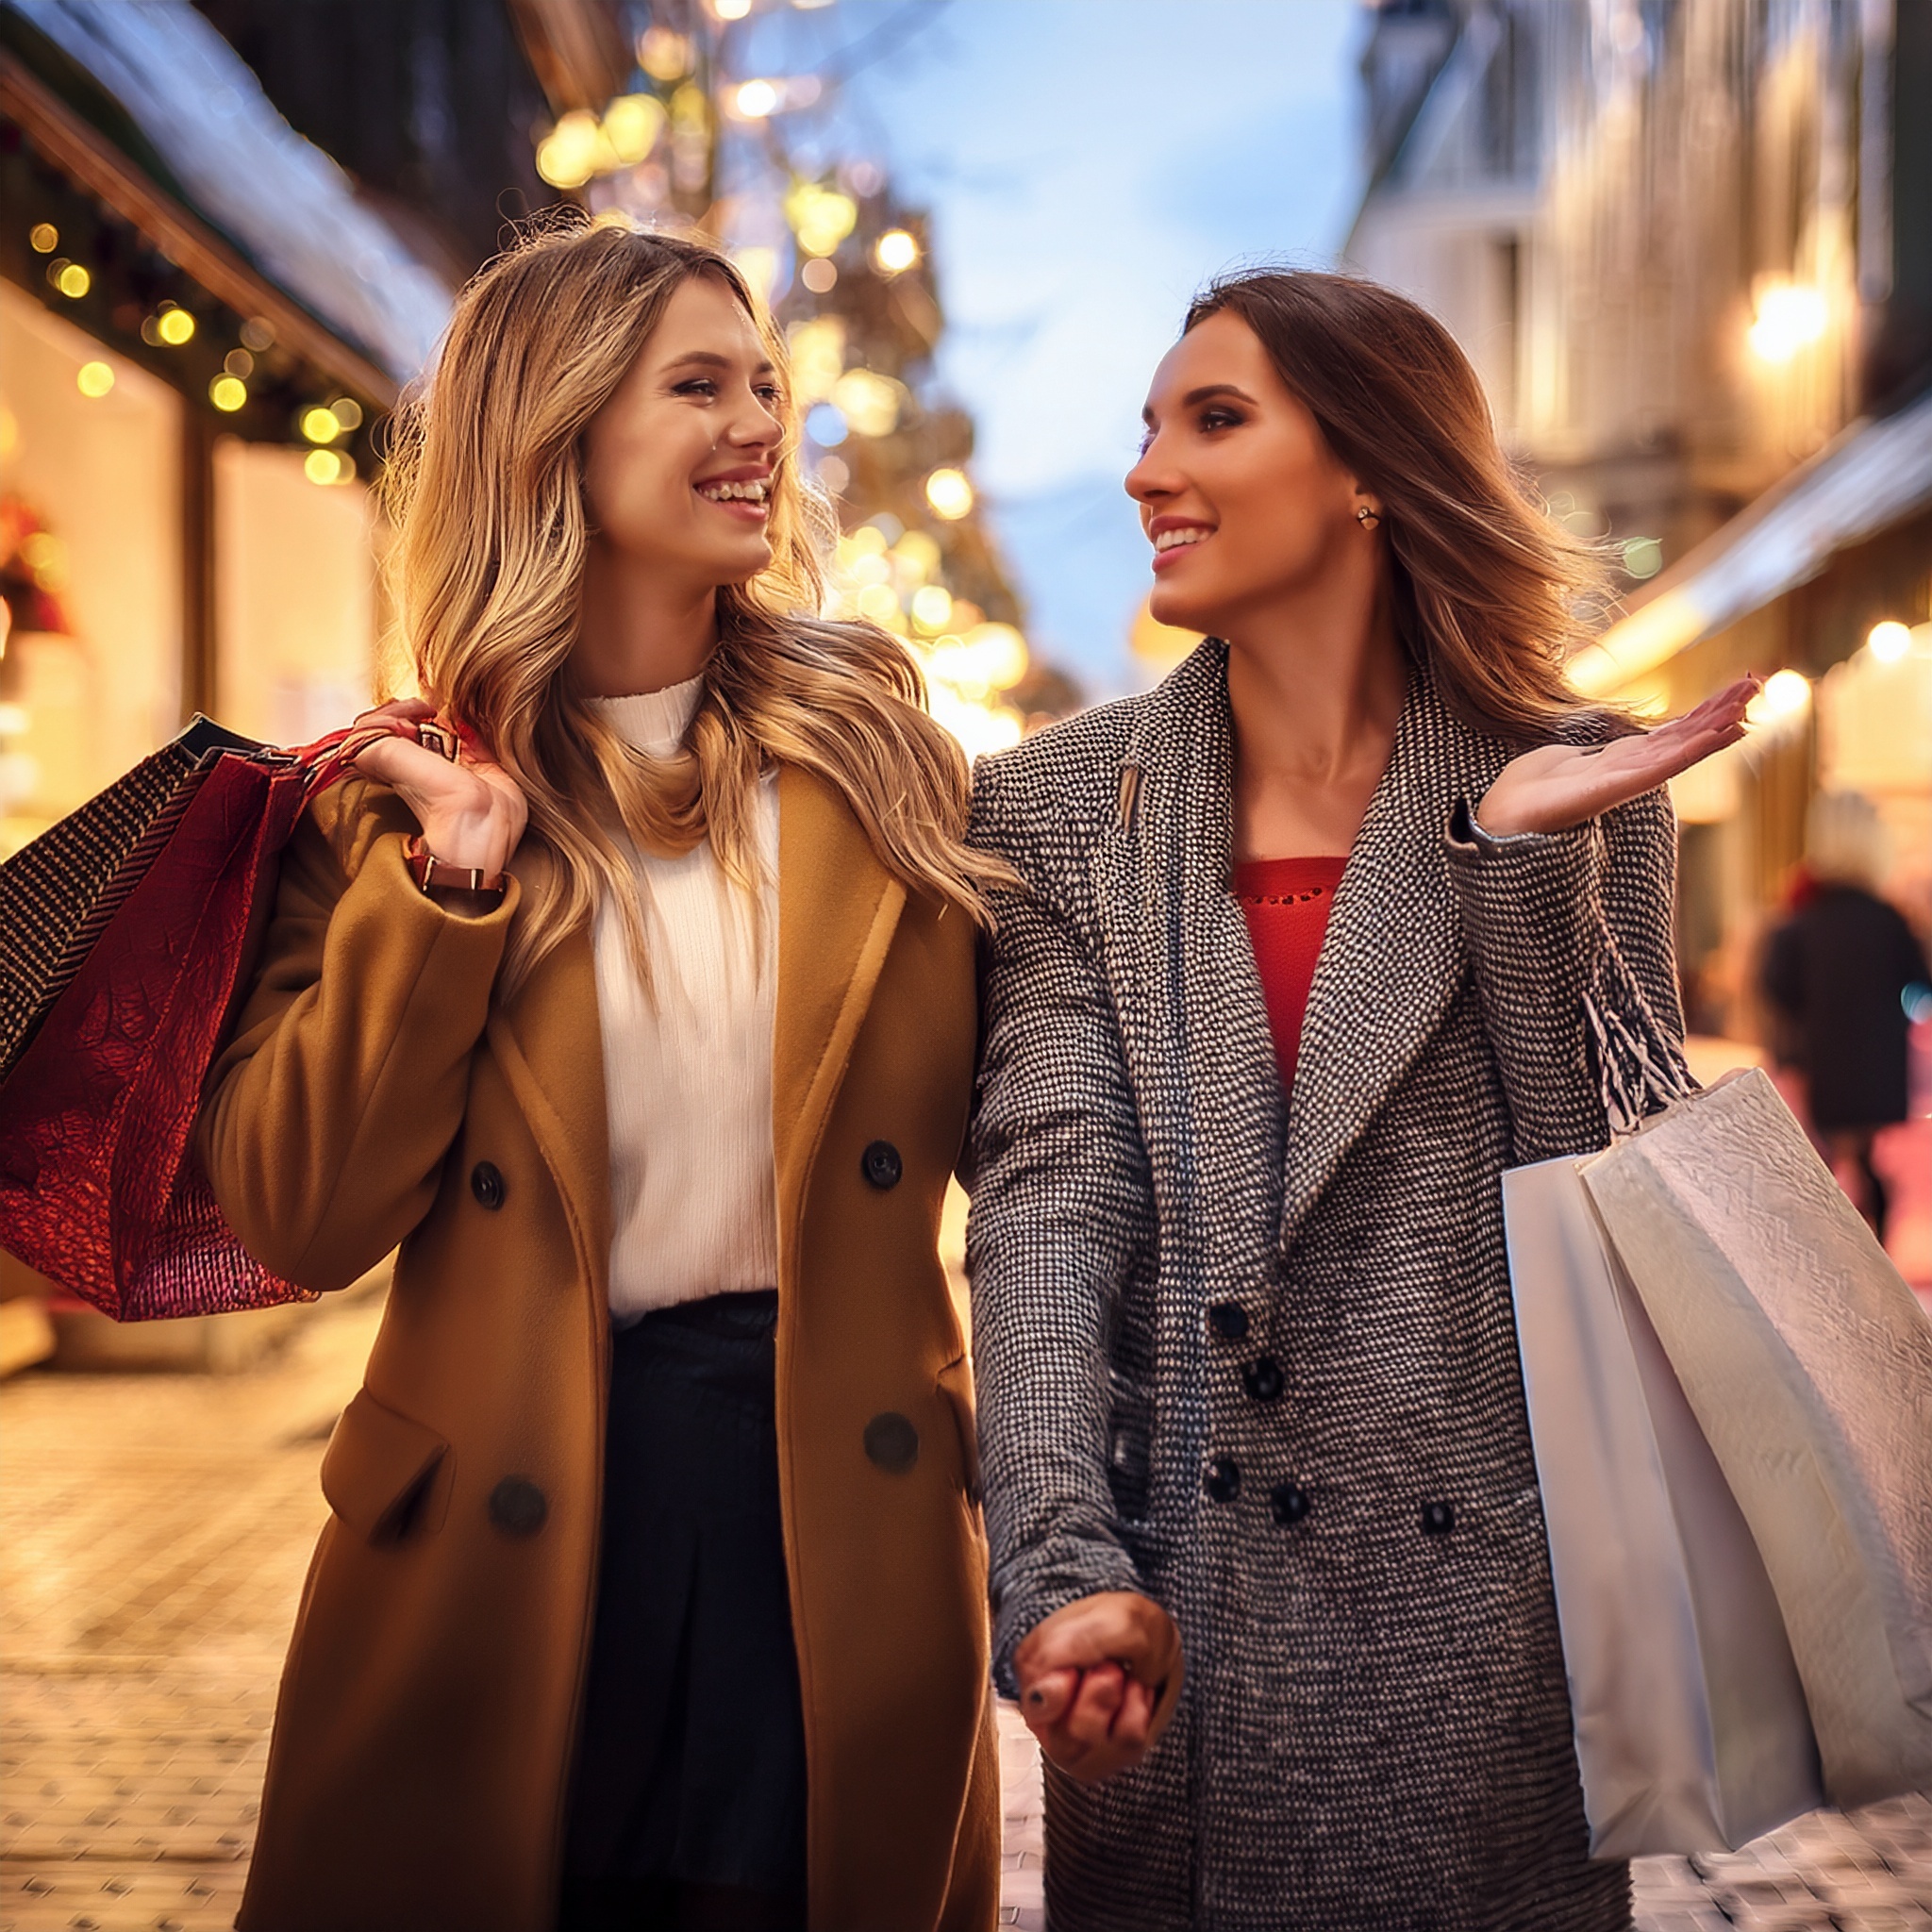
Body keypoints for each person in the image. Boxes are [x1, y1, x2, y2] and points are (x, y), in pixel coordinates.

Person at [196, 221, 1007, 1932]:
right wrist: (448, 899)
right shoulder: (393, 804)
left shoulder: (877, 766)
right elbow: (304, 1209)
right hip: (508, 1531)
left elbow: (1045, 1125)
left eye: (764, 384)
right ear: (552, 427)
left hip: (826, 1515)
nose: (756, 426)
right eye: (694, 385)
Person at [962, 268, 1755, 1931]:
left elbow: (1591, 1201)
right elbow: (1050, 1207)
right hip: (1181, 1631)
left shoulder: (1578, 779)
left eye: (1214, 417)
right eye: (1146, 425)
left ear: (1369, 468)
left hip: (1475, 1640)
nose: (1143, 470)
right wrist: (1061, 1569)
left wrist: (1514, 860)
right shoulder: (1045, 808)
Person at [1761, 789, 1929, 1241]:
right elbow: (1920, 985)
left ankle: (1831, 1258)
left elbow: (1778, 988)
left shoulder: (1801, 921)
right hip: (1878, 1069)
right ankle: (1878, 1253)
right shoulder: (1889, 920)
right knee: (1869, 1166)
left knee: (1826, 1167)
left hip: (1822, 1066)